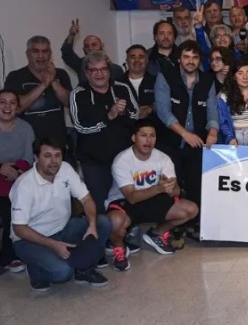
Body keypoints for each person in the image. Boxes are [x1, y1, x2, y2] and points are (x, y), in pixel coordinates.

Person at [10, 137, 111, 291]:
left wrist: (91, 225)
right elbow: (19, 229)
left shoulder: (65, 169)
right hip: (29, 240)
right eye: (47, 156)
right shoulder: (24, 185)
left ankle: (84, 270)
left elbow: (86, 199)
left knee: (102, 223)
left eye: (57, 155)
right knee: (63, 272)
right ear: (36, 157)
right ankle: (36, 271)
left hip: (63, 229)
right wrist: (53, 245)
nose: (54, 161)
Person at [106, 120, 199, 268]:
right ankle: (118, 247)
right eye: (143, 135)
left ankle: (157, 233)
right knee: (115, 221)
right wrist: (159, 188)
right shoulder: (122, 160)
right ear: (134, 138)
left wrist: (170, 187)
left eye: (152, 136)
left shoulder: (163, 158)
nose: (148, 140)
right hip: (125, 202)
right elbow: (131, 197)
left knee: (190, 209)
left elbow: (175, 191)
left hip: (153, 199)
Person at [154, 40, 218, 240]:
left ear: (199, 60)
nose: (190, 61)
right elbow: (163, 111)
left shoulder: (207, 80)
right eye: (186, 57)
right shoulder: (166, 76)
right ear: (179, 59)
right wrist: (184, 134)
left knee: (197, 184)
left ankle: (194, 223)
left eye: (195, 57)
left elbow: (212, 110)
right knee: (171, 186)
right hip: (170, 142)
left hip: (197, 142)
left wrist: (213, 131)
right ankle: (172, 226)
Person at [70, 51, 140, 215]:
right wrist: (109, 116)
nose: (99, 73)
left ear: (109, 71)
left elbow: (136, 115)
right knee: (100, 205)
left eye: (103, 69)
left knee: (127, 201)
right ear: (86, 73)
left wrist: (123, 113)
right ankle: (102, 230)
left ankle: (127, 228)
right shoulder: (78, 94)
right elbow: (80, 126)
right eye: (94, 70)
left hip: (124, 159)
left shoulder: (122, 87)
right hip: (94, 162)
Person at [4, 36, 72, 146]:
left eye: (45, 51)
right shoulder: (15, 76)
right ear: (28, 54)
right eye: (35, 51)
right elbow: (17, 107)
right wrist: (43, 85)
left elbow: (70, 103)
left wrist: (53, 80)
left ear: (50, 54)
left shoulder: (61, 74)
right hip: (26, 144)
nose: (41, 55)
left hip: (57, 143)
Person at [0, 90, 34, 274]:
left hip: (17, 177)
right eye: (2, 102)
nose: (7, 106)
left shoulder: (25, 128)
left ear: (18, 107)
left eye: (12, 103)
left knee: (12, 211)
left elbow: (28, 158)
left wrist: (16, 171)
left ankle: (10, 256)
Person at [217, 60, 248, 147]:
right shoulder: (224, 96)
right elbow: (222, 121)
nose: (245, 77)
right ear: (234, 76)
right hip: (234, 137)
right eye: (240, 73)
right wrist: (229, 138)